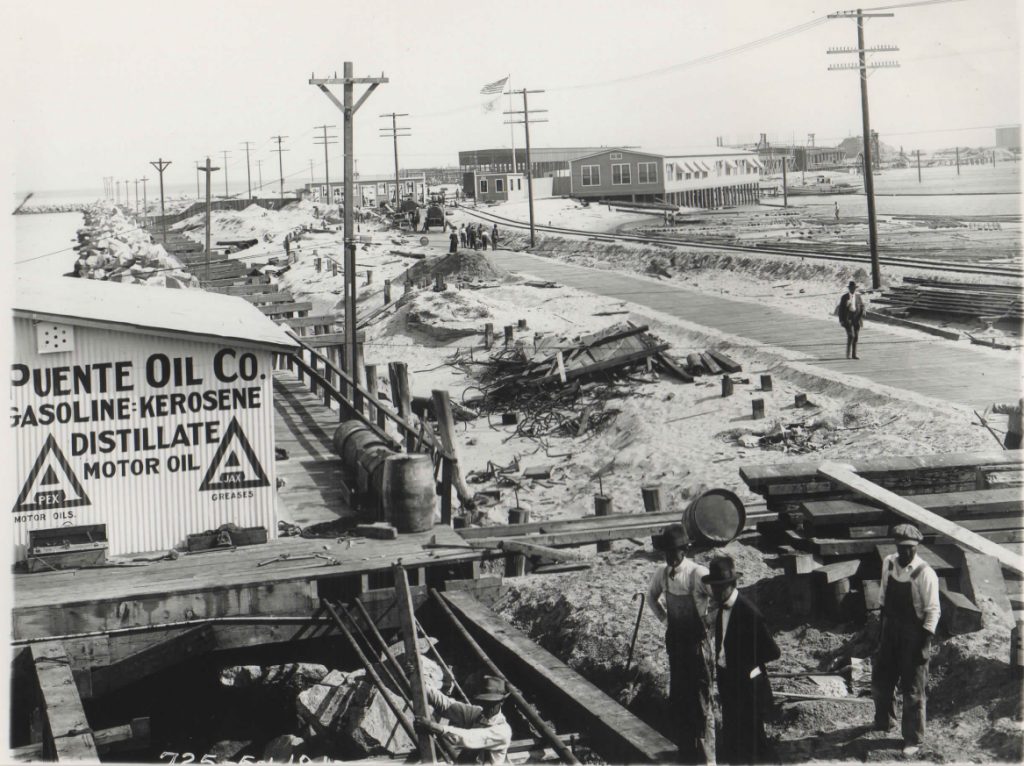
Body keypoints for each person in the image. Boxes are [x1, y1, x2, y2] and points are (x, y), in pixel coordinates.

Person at [647, 524, 715, 764]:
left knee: (701, 700)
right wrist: (666, 619)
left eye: (673, 552)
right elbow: (651, 597)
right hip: (676, 645)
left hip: (697, 646)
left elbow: (720, 599)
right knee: (680, 697)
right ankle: (686, 752)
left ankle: (707, 757)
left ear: (684, 550)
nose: (669, 557)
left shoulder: (698, 573)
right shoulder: (662, 573)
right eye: (666, 552)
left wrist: (708, 623)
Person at [872, 524, 940, 758]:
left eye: (910, 548)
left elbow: (933, 612)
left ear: (916, 547)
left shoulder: (924, 573)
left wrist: (923, 645)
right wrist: (881, 632)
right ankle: (884, 721)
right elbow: (883, 598)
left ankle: (913, 738)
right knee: (881, 680)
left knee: (912, 690)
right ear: (896, 546)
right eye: (902, 548)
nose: (906, 552)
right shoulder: (889, 563)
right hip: (890, 630)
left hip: (914, 635)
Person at [705, 555, 780, 765]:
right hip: (728, 683)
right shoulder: (721, 608)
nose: (715, 592)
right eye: (713, 587)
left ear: (731, 585)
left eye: (719, 587)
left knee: (754, 743)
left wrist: (744, 664)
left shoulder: (749, 613)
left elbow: (773, 652)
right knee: (732, 740)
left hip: (748, 687)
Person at [415, 675, 513, 764]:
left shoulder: (503, 731)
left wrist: (435, 727)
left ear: (502, 702)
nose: (487, 706)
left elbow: (469, 737)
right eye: (485, 701)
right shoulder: (476, 714)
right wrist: (417, 680)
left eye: (492, 703)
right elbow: (447, 705)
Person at [837, 280, 866, 360]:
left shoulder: (858, 296)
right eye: (851, 288)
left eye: (854, 288)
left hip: (856, 319)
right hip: (847, 318)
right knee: (851, 336)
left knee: (856, 337)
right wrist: (841, 320)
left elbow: (862, 306)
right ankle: (848, 354)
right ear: (849, 288)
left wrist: (863, 312)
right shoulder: (844, 297)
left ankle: (854, 355)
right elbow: (840, 310)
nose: (852, 289)